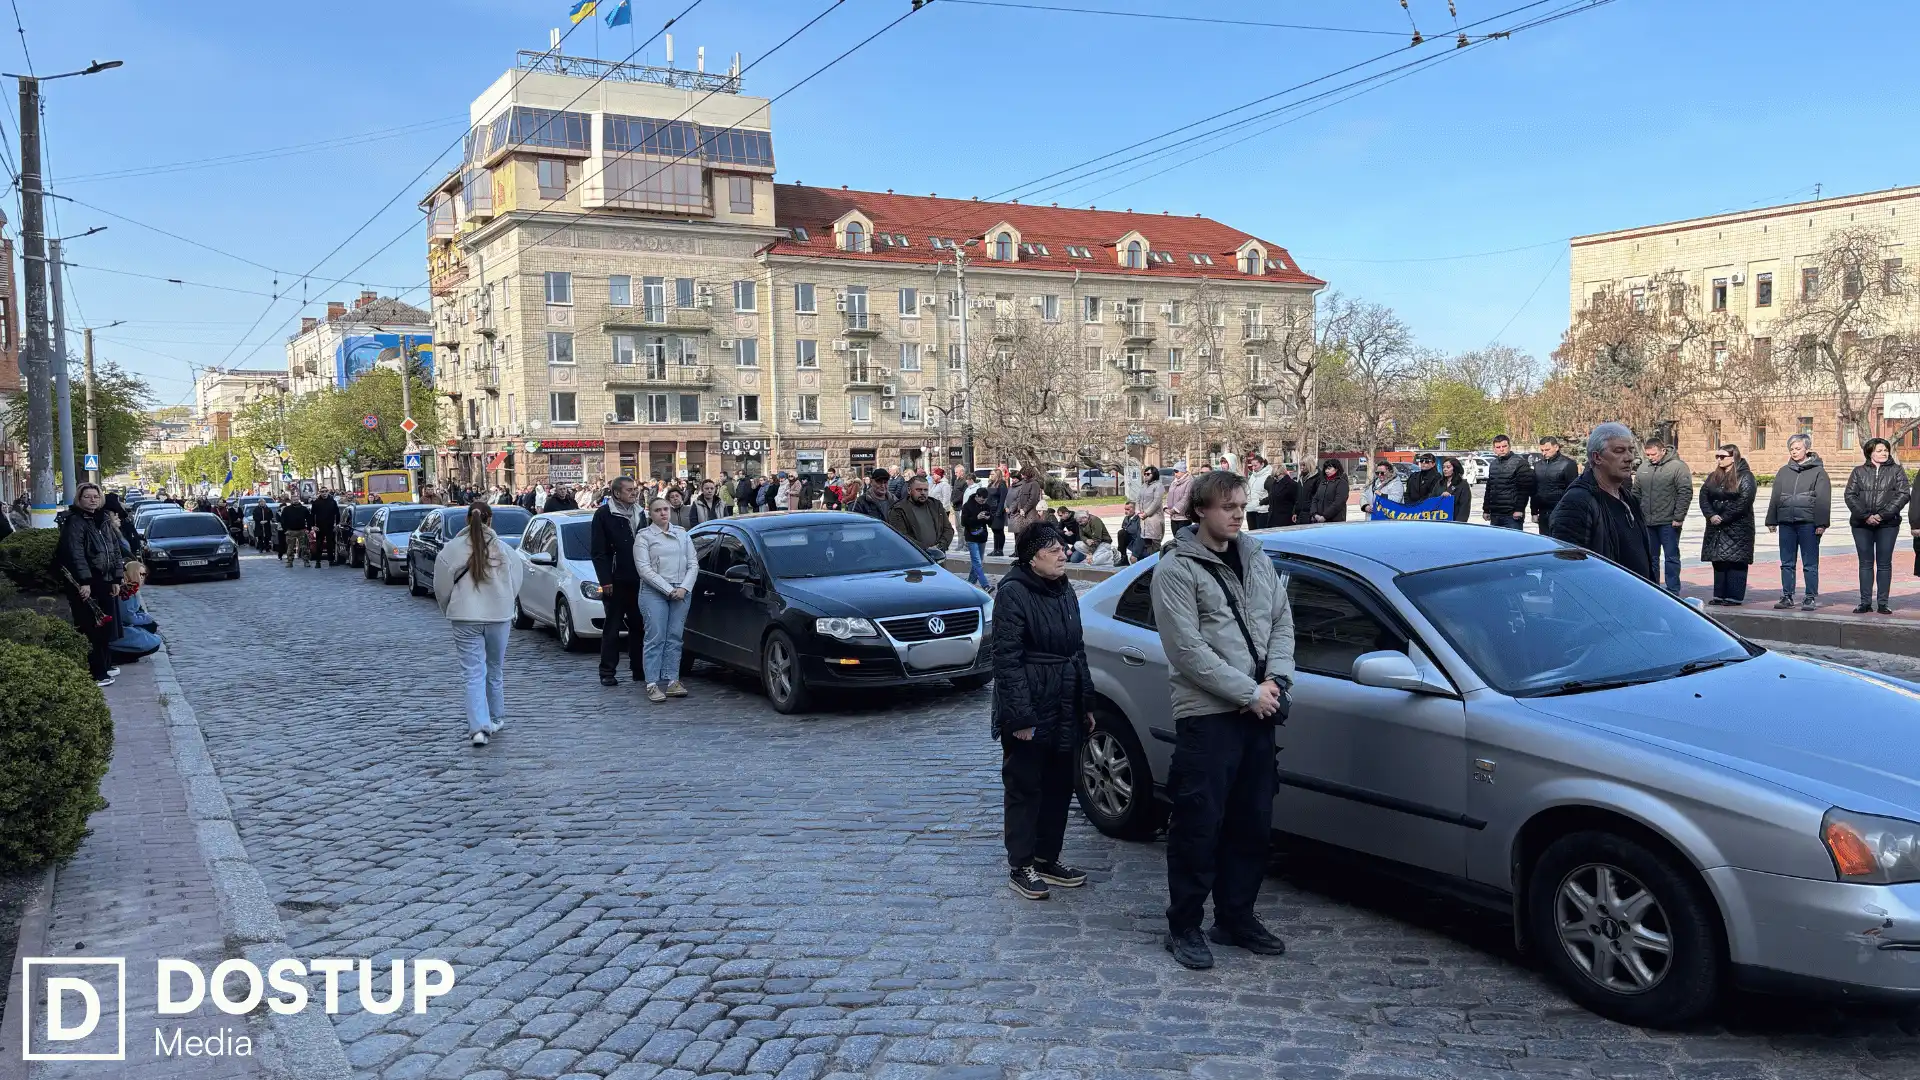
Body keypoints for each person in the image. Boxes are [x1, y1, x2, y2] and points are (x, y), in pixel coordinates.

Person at [1149, 469, 1295, 971]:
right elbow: (1187, 650)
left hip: (1260, 709)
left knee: (1253, 823)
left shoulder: (1256, 557)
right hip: (1208, 716)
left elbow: (1281, 619)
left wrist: (1275, 679)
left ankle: (1235, 916)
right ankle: (1184, 925)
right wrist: (1247, 692)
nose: (1238, 514)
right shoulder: (1176, 569)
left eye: (1242, 505)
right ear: (1200, 511)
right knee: (1198, 825)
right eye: (1228, 506)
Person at [991, 523, 1095, 901]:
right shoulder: (1013, 593)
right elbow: (1006, 659)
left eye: (1062, 548)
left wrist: (1088, 702)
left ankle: (1047, 857)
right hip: (1031, 702)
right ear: (1032, 556)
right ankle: (1021, 865)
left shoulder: (1064, 587)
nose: (1063, 554)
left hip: (1065, 698)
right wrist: (1019, 717)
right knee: (1025, 785)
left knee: (1058, 785)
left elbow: (1077, 648)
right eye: (1053, 550)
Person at [434, 502, 526, 748]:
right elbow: (515, 582)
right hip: (499, 615)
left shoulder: (452, 550)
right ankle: (496, 718)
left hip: (465, 616)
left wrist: (449, 608)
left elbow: (441, 587)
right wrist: (504, 603)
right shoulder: (505, 550)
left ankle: (478, 728)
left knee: (473, 673)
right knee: (494, 669)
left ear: (466, 520)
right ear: (491, 520)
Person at [1547, 423, 1654, 580]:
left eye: (1631, 450)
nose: (1630, 457)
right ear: (1597, 457)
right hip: (1605, 601)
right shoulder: (1578, 502)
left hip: (1637, 599)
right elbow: (1570, 572)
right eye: (1619, 451)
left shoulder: (1629, 499)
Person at [55, 483, 124, 686]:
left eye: (96, 496)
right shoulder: (75, 521)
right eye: (88, 496)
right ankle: (96, 672)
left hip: (104, 580)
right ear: (79, 498)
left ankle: (105, 664)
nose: (92, 499)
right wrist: (84, 582)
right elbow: (75, 554)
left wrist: (116, 579)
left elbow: (114, 551)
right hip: (86, 581)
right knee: (90, 627)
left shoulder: (102, 519)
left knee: (105, 625)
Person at [634, 496, 698, 704]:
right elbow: (644, 569)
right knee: (656, 636)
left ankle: (672, 680)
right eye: (657, 510)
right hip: (655, 592)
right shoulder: (644, 537)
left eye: (665, 509)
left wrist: (684, 588)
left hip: (681, 591)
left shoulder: (681, 533)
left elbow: (693, 564)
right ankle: (652, 682)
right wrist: (669, 589)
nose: (663, 513)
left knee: (674, 636)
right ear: (650, 514)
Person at [591, 476, 648, 688]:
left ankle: (638, 669)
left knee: (639, 626)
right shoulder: (604, 514)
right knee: (612, 628)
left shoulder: (640, 512)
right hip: (615, 580)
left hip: (638, 578)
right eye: (629, 490)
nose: (634, 493)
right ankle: (607, 671)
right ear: (617, 493)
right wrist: (605, 580)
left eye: (635, 489)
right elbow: (598, 552)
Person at [1764, 433, 1831, 611]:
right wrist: (1772, 520)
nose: (1794, 452)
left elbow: (1823, 499)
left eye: (1798, 448)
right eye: (1792, 449)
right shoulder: (1783, 471)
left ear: (1806, 449)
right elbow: (1775, 497)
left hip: (1808, 524)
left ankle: (1810, 597)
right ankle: (1787, 595)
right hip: (1786, 523)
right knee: (1787, 562)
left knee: (1809, 563)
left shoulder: (1818, 472)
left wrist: (1821, 524)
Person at [1844, 437, 1909, 615]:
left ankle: (1882, 603)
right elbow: (1850, 495)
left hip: (1888, 524)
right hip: (1861, 524)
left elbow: (1903, 494)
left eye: (1885, 450)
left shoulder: (1896, 470)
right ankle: (1865, 602)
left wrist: (1882, 515)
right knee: (1865, 563)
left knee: (1884, 563)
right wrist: (1866, 516)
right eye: (1879, 450)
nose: (1883, 453)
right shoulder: (1858, 471)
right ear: (1870, 452)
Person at [1699, 444, 1757, 606]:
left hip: (1738, 526)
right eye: (1717, 456)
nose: (1719, 459)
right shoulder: (1713, 476)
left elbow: (1744, 500)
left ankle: (1734, 596)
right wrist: (1711, 515)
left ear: (1733, 457)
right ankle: (1719, 594)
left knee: (1735, 561)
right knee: (1718, 560)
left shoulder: (1745, 476)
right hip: (1716, 525)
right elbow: (1704, 496)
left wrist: (1724, 517)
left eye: (1722, 457)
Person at [1634, 438, 1693, 595]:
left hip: (1669, 521)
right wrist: (1636, 515)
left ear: (1662, 450)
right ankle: (1653, 588)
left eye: (1653, 454)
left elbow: (1685, 492)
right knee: (1650, 558)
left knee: (1671, 557)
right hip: (1647, 521)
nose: (1651, 457)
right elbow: (1636, 493)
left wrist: (1679, 516)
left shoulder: (1677, 467)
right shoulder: (1643, 467)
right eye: (1648, 455)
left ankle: (1673, 590)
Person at [886, 476, 955, 553]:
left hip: (938, 556)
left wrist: (940, 546)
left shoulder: (936, 505)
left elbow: (948, 529)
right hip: (914, 557)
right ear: (909, 490)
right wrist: (926, 549)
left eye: (925, 490)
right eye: (918, 490)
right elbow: (901, 536)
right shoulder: (898, 509)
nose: (923, 493)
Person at [111, 559, 162, 662]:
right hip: (121, 628)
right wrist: (147, 618)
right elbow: (128, 617)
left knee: (151, 630)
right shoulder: (126, 592)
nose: (143, 577)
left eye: (144, 574)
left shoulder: (132, 590)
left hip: (126, 625)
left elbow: (137, 611)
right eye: (141, 574)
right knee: (152, 639)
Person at [1482, 434, 1534, 530]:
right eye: (1498, 447)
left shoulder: (1520, 463)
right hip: (1495, 514)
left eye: (1504, 446)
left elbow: (1524, 490)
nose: (1501, 449)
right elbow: (1489, 488)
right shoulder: (1493, 464)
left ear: (1509, 446)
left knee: (1514, 544)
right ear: (1494, 449)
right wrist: (1486, 509)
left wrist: (1519, 510)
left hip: (1512, 515)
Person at [1531, 436, 1579, 531]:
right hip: (1543, 512)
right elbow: (1535, 490)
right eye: (1542, 450)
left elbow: (1572, 491)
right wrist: (1534, 512)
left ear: (1556, 447)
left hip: (1561, 512)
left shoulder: (1568, 464)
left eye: (1547, 449)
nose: (1544, 453)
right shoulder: (1538, 466)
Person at [961, 484, 995, 589]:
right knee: (976, 561)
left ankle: (970, 582)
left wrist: (988, 518)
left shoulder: (986, 506)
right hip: (971, 536)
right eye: (981, 500)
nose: (983, 502)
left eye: (984, 500)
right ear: (977, 496)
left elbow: (991, 522)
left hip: (982, 536)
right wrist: (977, 518)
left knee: (978, 561)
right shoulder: (967, 506)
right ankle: (985, 585)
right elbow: (964, 522)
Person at [1005, 467, 1045, 540]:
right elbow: (1019, 497)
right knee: (1021, 534)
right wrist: (1020, 508)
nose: (1022, 476)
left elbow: (1033, 499)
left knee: (1030, 534)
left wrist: (1024, 509)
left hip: (1031, 513)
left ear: (1028, 474)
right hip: (1022, 513)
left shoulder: (1034, 484)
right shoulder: (1024, 483)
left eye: (1023, 475)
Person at [1136, 465, 1167, 556]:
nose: (1145, 476)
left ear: (1154, 474)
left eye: (1148, 474)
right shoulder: (1143, 486)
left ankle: (1156, 564)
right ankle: (1149, 565)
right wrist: (1138, 511)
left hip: (1154, 518)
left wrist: (1146, 513)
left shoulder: (1158, 486)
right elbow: (1138, 499)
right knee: (1147, 543)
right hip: (1144, 519)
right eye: (1144, 474)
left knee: (1155, 543)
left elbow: (1156, 502)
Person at [280, 494, 313, 567]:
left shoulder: (304, 509)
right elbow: (282, 520)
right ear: (291, 500)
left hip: (301, 530)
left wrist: (309, 528)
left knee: (304, 547)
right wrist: (285, 530)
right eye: (294, 500)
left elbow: (309, 519)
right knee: (290, 547)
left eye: (297, 499)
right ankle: (289, 561)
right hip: (290, 531)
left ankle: (306, 561)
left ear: (299, 500)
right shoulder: (287, 509)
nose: (295, 501)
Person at [311, 488, 341, 566]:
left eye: (326, 491)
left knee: (330, 544)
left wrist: (337, 524)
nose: (324, 493)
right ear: (320, 493)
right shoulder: (316, 503)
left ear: (328, 492)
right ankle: (318, 562)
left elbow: (337, 514)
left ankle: (331, 560)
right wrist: (313, 526)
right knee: (319, 544)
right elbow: (312, 515)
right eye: (322, 492)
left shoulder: (332, 502)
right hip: (319, 526)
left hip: (330, 526)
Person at [1440, 456, 1473, 521]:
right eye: (1443, 467)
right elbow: (1432, 498)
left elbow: (1465, 506)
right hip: (1440, 519)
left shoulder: (1463, 484)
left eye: (1448, 467)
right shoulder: (1440, 483)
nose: (1445, 469)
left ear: (1455, 468)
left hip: (1455, 519)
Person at [987, 468, 1011, 556]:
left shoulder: (1002, 484)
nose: (991, 476)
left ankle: (1000, 550)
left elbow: (1002, 499)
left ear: (997, 475)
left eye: (993, 474)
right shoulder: (990, 484)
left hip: (998, 510)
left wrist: (999, 511)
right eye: (991, 474)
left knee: (999, 530)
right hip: (991, 510)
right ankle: (995, 549)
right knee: (994, 530)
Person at [1266, 463, 1298, 528]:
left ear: (1283, 473)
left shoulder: (1291, 484)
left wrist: (1294, 513)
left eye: (1276, 476)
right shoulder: (1274, 483)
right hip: (1273, 518)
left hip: (1285, 519)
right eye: (1273, 476)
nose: (1275, 478)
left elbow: (1296, 500)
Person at [1245, 456, 1272, 529]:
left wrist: (1260, 502)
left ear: (1262, 464)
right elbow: (1249, 490)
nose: (1253, 468)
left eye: (1255, 465)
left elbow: (1272, 495)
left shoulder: (1268, 477)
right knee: (1252, 535)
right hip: (1250, 509)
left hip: (1262, 512)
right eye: (1252, 466)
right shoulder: (1253, 476)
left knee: (1261, 535)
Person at [1166, 466, 1194, 534]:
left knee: (1183, 540)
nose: (1175, 473)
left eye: (1177, 471)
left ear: (1183, 471)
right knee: (1176, 540)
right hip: (1173, 517)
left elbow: (1186, 498)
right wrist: (1166, 508)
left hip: (1184, 518)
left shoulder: (1189, 481)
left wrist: (1175, 509)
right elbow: (1169, 496)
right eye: (1174, 472)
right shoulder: (1174, 482)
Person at [1115, 501, 1141, 567]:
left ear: (1134, 509)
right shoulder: (1127, 518)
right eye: (1125, 509)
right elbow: (1124, 530)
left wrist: (1134, 553)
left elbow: (1139, 536)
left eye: (1128, 509)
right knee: (1121, 533)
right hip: (1130, 540)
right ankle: (1123, 558)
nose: (1126, 511)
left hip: (1138, 541)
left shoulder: (1139, 519)